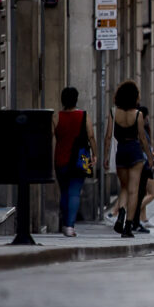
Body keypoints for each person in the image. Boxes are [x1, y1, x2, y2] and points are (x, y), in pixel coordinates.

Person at [102, 80, 154, 238]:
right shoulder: (138, 115)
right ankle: (128, 226)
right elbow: (142, 139)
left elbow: (108, 137)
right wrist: (150, 157)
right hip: (134, 152)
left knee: (124, 187)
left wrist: (106, 157)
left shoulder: (113, 112)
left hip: (121, 152)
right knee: (134, 190)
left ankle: (121, 212)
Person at [52, 87, 96, 237]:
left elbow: (50, 136)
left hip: (61, 158)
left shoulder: (56, 117)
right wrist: (94, 155)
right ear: (76, 99)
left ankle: (65, 223)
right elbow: (91, 136)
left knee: (64, 191)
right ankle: (70, 226)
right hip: (81, 159)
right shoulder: (84, 115)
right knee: (75, 192)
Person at [134, 106, 154, 233]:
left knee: (143, 192)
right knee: (153, 193)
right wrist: (151, 156)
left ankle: (143, 219)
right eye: (146, 116)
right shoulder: (140, 130)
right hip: (145, 164)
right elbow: (143, 145)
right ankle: (134, 212)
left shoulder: (142, 128)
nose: (148, 119)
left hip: (143, 163)